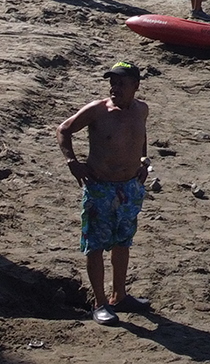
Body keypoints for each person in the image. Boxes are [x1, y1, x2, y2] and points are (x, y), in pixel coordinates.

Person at [58, 61, 152, 326]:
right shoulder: (98, 111)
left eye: (121, 83)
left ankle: (119, 295)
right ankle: (99, 303)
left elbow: (141, 136)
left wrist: (144, 160)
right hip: (100, 187)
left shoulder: (141, 110)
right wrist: (72, 162)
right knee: (96, 245)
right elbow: (64, 130)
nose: (115, 88)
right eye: (112, 82)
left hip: (130, 188)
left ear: (135, 86)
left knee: (123, 241)